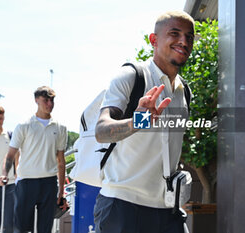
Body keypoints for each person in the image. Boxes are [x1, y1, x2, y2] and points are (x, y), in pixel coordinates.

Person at [94, 11, 195, 233]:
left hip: (167, 209)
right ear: (154, 39)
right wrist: (138, 121)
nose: (183, 41)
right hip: (123, 205)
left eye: (189, 36)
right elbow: (101, 131)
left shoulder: (184, 91)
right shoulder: (131, 75)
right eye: (175, 33)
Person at [0, 86, 68, 233]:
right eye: (46, 100)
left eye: (52, 100)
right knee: (21, 228)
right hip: (26, 182)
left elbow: (61, 162)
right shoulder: (23, 126)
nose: (50, 104)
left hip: (49, 183)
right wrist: (5, 174)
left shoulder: (61, 128)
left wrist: (61, 191)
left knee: (45, 229)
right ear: (36, 100)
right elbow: (11, 155)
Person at [0, 105, 17, 232]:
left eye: (0, 118)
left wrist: (17, 178)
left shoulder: (11, 137)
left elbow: (17, 159)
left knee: (8, 225)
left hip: (9, 186)